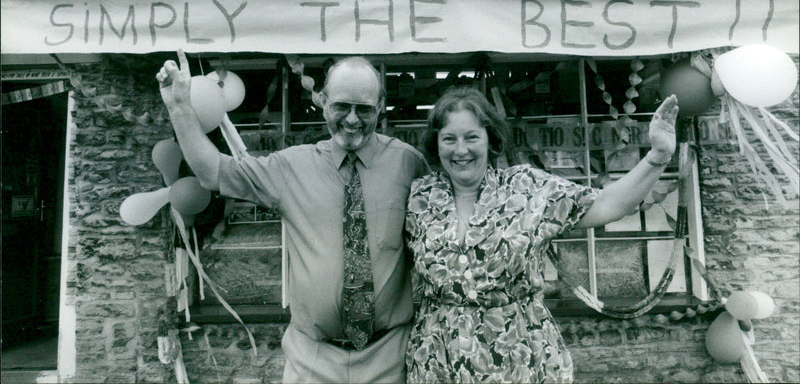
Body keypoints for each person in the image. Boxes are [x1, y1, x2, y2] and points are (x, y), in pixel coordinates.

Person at [156, 51, 429, 384]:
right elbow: (212, 172)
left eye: (365, 109)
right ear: (323, 101)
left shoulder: (408, 165)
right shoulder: (291, 167)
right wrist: (179, 108)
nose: (353, 120)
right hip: (312, 360)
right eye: (342, 106)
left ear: (379, 107)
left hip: (389, 356)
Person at [404, 87, 679, 383]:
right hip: (438, 360)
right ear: (437, 144)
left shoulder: (526, 187)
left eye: (471, 137)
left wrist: (657, 157)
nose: (460, 150)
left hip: (521, 358)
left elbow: (607, 204)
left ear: (490, 139)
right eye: (449, 139)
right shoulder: (420, 197)